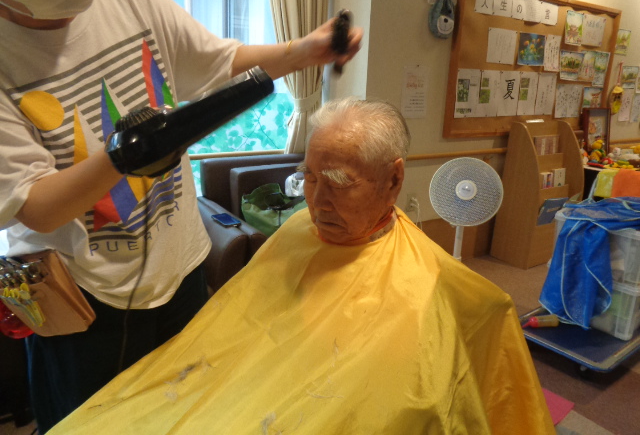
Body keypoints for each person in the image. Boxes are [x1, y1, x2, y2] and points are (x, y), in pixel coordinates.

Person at [0, 0, 363, 432]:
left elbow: (218, 63)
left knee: (188, 412)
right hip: (87, 299)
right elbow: (36, 206)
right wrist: (125, 156)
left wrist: (301, 52)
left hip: (182, 266)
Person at [50, 98, 555, 434]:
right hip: (235, 385)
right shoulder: (297, 230)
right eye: (308, 177)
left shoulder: (435, 281)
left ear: (393, 180)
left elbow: (483, 342)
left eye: (337, 182)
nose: (316, 201)